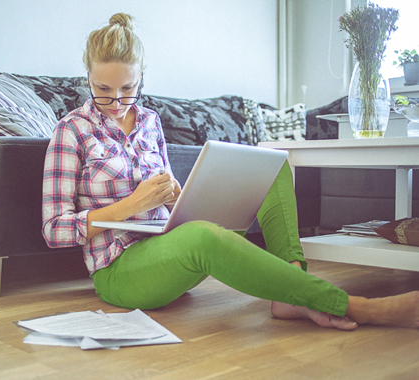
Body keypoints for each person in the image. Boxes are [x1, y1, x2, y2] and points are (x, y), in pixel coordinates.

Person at [42, 13, 419, 330]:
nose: (117, 102)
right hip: (119, 270)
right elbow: (54, 229)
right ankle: (353, 306)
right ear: (86, 78)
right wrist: (129, 205)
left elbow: (166, 196)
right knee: (203, 237)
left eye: (129, 89)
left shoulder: (151, 122)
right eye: (102, 90)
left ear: (142, 78)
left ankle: (291, 292)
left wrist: (172, 193)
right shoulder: (71, 130)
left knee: (272, 167)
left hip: (165, 242)